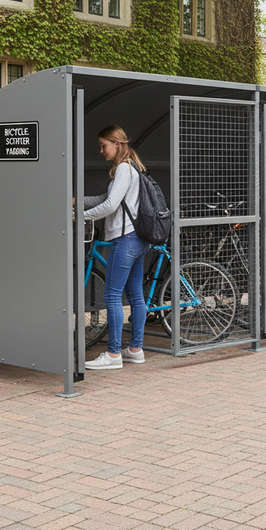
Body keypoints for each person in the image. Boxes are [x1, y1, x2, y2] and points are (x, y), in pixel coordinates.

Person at [83, 125, 149, 369]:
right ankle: (135, 349)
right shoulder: (133, 167)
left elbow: (110, 205)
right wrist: (78, 202)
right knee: (135, 296)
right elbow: (106, 199)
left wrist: (82, 216)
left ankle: (112, 355)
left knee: (112, 296)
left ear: (117, 144)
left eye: (104, 145)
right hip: (138, 240)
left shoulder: (123, 168)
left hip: (126, 240)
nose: (101, 150)